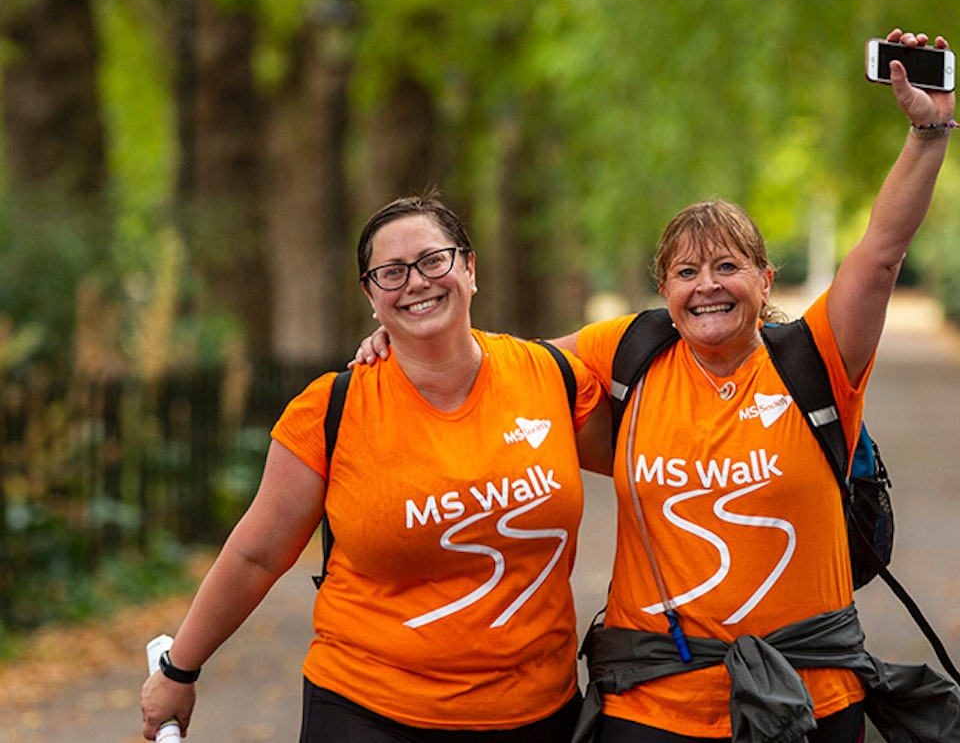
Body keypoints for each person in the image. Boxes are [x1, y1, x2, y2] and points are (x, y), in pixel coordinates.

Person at [354, 30, 960, 743]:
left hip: (810, 704)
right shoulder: (626, 352)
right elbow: (500, 370)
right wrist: (408, 337)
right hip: (650, 709)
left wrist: (929, 131)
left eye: (728, 267)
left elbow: (878, 255)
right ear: (663, 290)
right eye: (686, 273)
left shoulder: (817, 358)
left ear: (765, 280)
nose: (707, 286)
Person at [140, 193, 613, 743]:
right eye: (391, 273)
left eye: (434, 260)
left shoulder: (549, 377)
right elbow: (256, 553)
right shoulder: (330, 410)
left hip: (538, 714)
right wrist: (179, 670)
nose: (416, 282)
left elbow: (653, 460)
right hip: (368, 710)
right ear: (370, 295)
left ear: (470, 267)